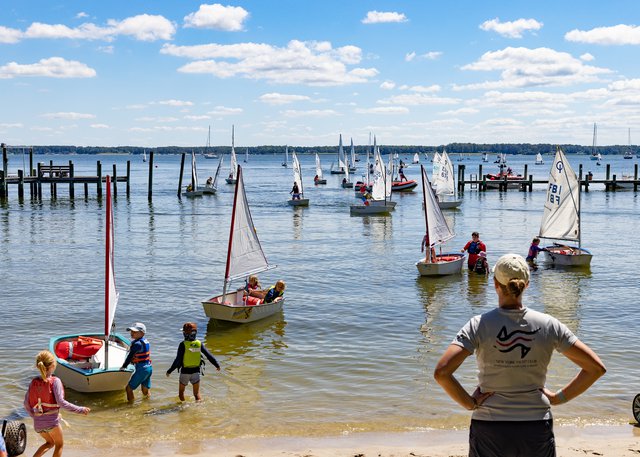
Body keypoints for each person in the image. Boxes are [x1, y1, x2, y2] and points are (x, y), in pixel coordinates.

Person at [433, 254, 606, 457]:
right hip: (535, 426)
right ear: (527, 284)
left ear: (495, 283)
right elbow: (596, 368)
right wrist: (558, 398)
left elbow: (442, 372)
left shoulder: (478, 324)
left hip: (489, 426)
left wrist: (469, 403)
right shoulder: (549, 324)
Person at [24, 350, 90, 457]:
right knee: (59, 444)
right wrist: (80, 409)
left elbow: (26, 404)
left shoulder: (33, 383)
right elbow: (61, 403)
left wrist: (36, 417)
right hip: (52, 422)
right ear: (53, 365)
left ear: (38, 366)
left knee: (49, 443)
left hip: (38, 424)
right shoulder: (55, 381)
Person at [166, 322, 221, 402]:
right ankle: (199, 406)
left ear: (184, 334)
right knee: (196, 394)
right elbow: (209, 355)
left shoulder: (183, 345)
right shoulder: (199, 343)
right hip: (196, 372)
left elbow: (177, 361)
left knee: (181, 393)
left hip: (185, 372)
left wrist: (169, 371)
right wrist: (217, 365)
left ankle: (183, 408)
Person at [120, 322, 152, 402]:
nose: (132, 333)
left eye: (134, 332)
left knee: (128, 388)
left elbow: (130, 356)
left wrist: (124, 366)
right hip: (148, 368)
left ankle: (131, 406)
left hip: (142, 369)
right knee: (145, 390)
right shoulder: (145, 341)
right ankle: (148, 403)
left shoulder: (137, 344)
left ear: (142, 333)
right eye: (131, 331)